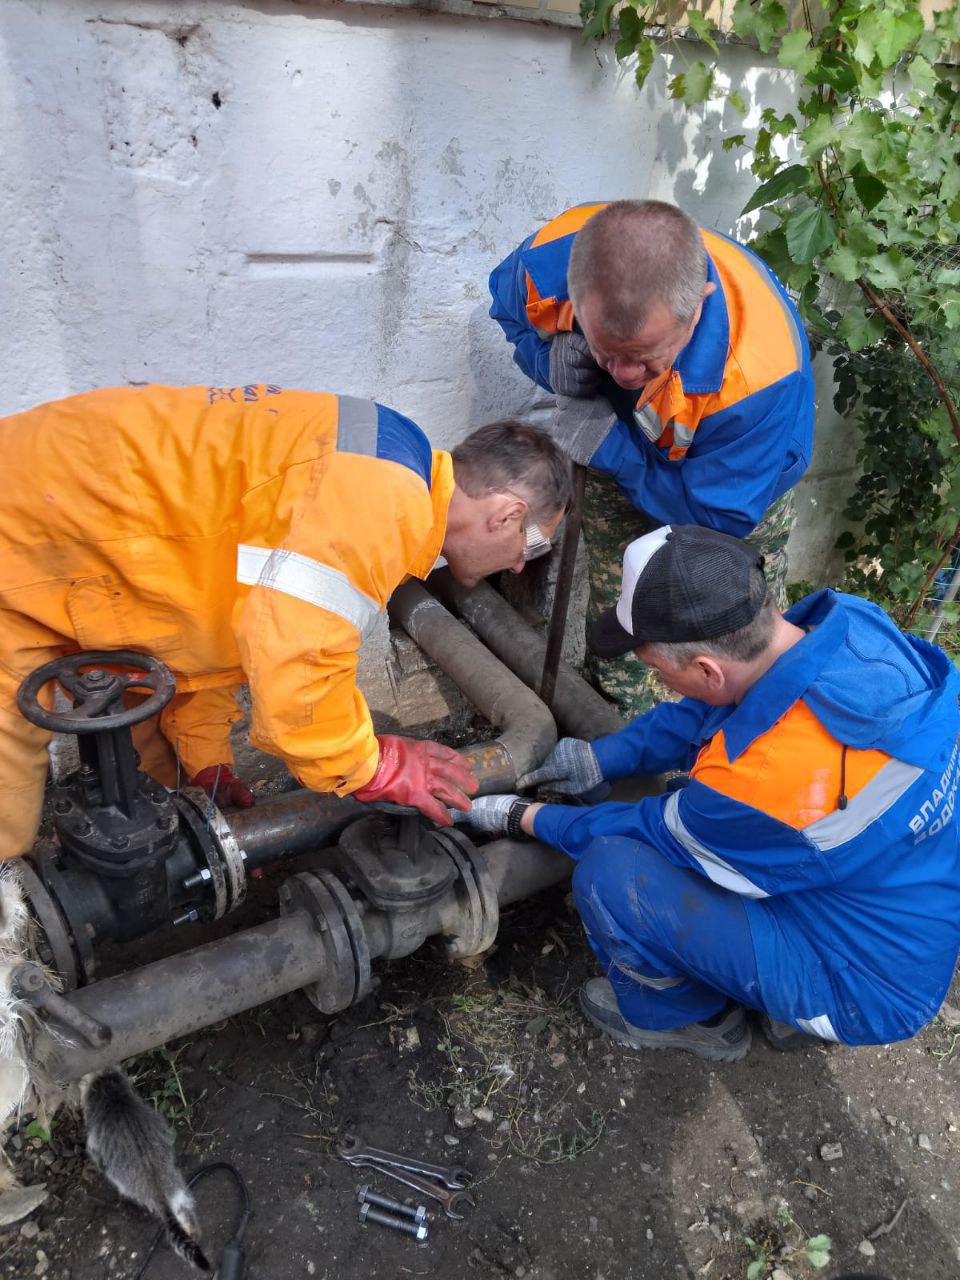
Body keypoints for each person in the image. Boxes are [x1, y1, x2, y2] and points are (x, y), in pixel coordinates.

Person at [0, 384, 571, 858]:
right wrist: (368, 766)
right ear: (507, 515)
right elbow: (296, 658)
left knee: (139, 724)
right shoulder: (386, 501)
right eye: (534, 543)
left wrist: (205, 765)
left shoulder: (393, 457)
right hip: (29, 520)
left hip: (65, 527)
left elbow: (211, 612)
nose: (523, 562)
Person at [463, 525, 960, 1060]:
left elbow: (646, 829)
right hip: (907, 918)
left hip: (866, 990)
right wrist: (603, 756)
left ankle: (689, 1018)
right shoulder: (849, 628)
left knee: (613, 875)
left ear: (705, 668)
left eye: (655, 670)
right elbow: (717, 704)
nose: (659, 680)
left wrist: (522, 816)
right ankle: (778, 987)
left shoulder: (761, 782)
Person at [489, 200, 815, 715]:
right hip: (624, 437)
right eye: (605, 350)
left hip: (733, 486)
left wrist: (614, 453)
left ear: (698, 306)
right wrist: (549, 357)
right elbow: (511, 315)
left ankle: (741, 732)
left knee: (730, 630)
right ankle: (617, 721)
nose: (620, 374)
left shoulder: (758, 382)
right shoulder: (547, 263)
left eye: (643, 358)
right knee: (623, 595)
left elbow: (715, 521)